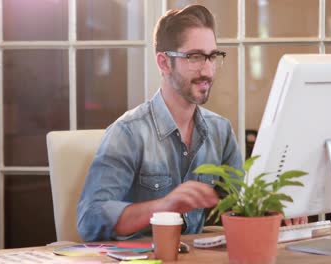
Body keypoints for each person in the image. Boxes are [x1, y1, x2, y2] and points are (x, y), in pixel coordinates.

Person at [77, 5, 243, 241]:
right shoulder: (128, 132)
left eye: (212, 56)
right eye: (195, 57)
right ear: (164, 63)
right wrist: (165, 205)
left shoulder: (221, 131)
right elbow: (90, 220)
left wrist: (273, 212)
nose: (207, 70)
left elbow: (235, 208)